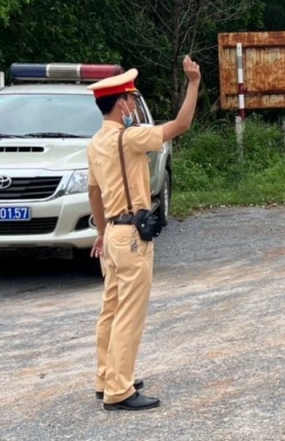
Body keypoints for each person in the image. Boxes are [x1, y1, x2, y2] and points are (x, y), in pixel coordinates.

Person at [86, 56, 201, 411]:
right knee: (129, 314)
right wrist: (193, 82)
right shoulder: (131, 137)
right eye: (133, 100)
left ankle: (107, 376)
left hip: (113, 237)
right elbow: (180, 125)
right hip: (133, 239)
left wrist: (101, 232)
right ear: (121, 103)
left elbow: (94, 193)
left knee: (111, 309)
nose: (135, 105)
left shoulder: (95, 143)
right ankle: (119, 389)